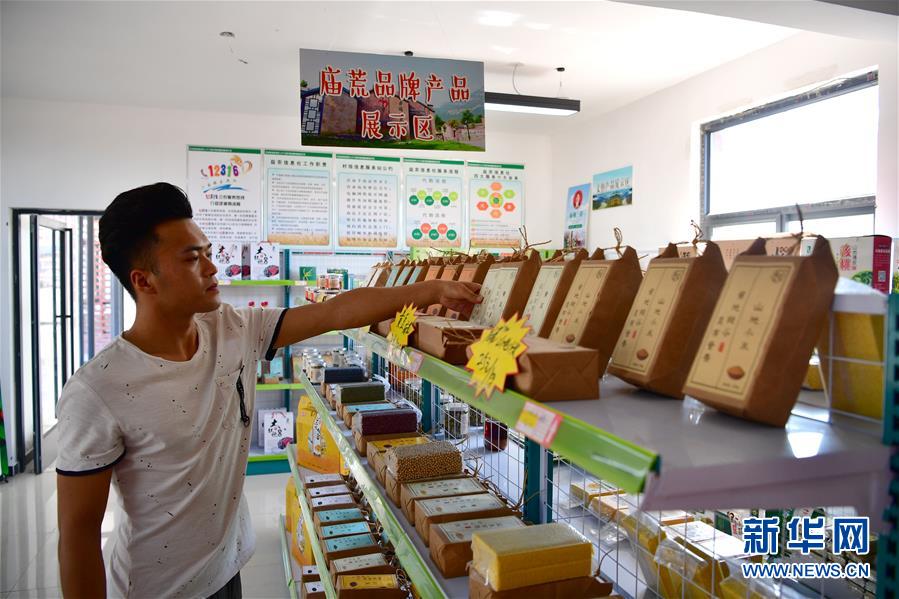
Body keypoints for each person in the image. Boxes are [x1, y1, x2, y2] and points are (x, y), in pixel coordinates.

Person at [55, 182, 481, 599]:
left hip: (228, 568)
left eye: (208, 253)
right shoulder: (98, 389)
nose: (212, 268)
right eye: (191, 259)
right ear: (144, 281)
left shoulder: (234, 329)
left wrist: (430, 289)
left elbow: (336, 312)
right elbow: (78, 533)